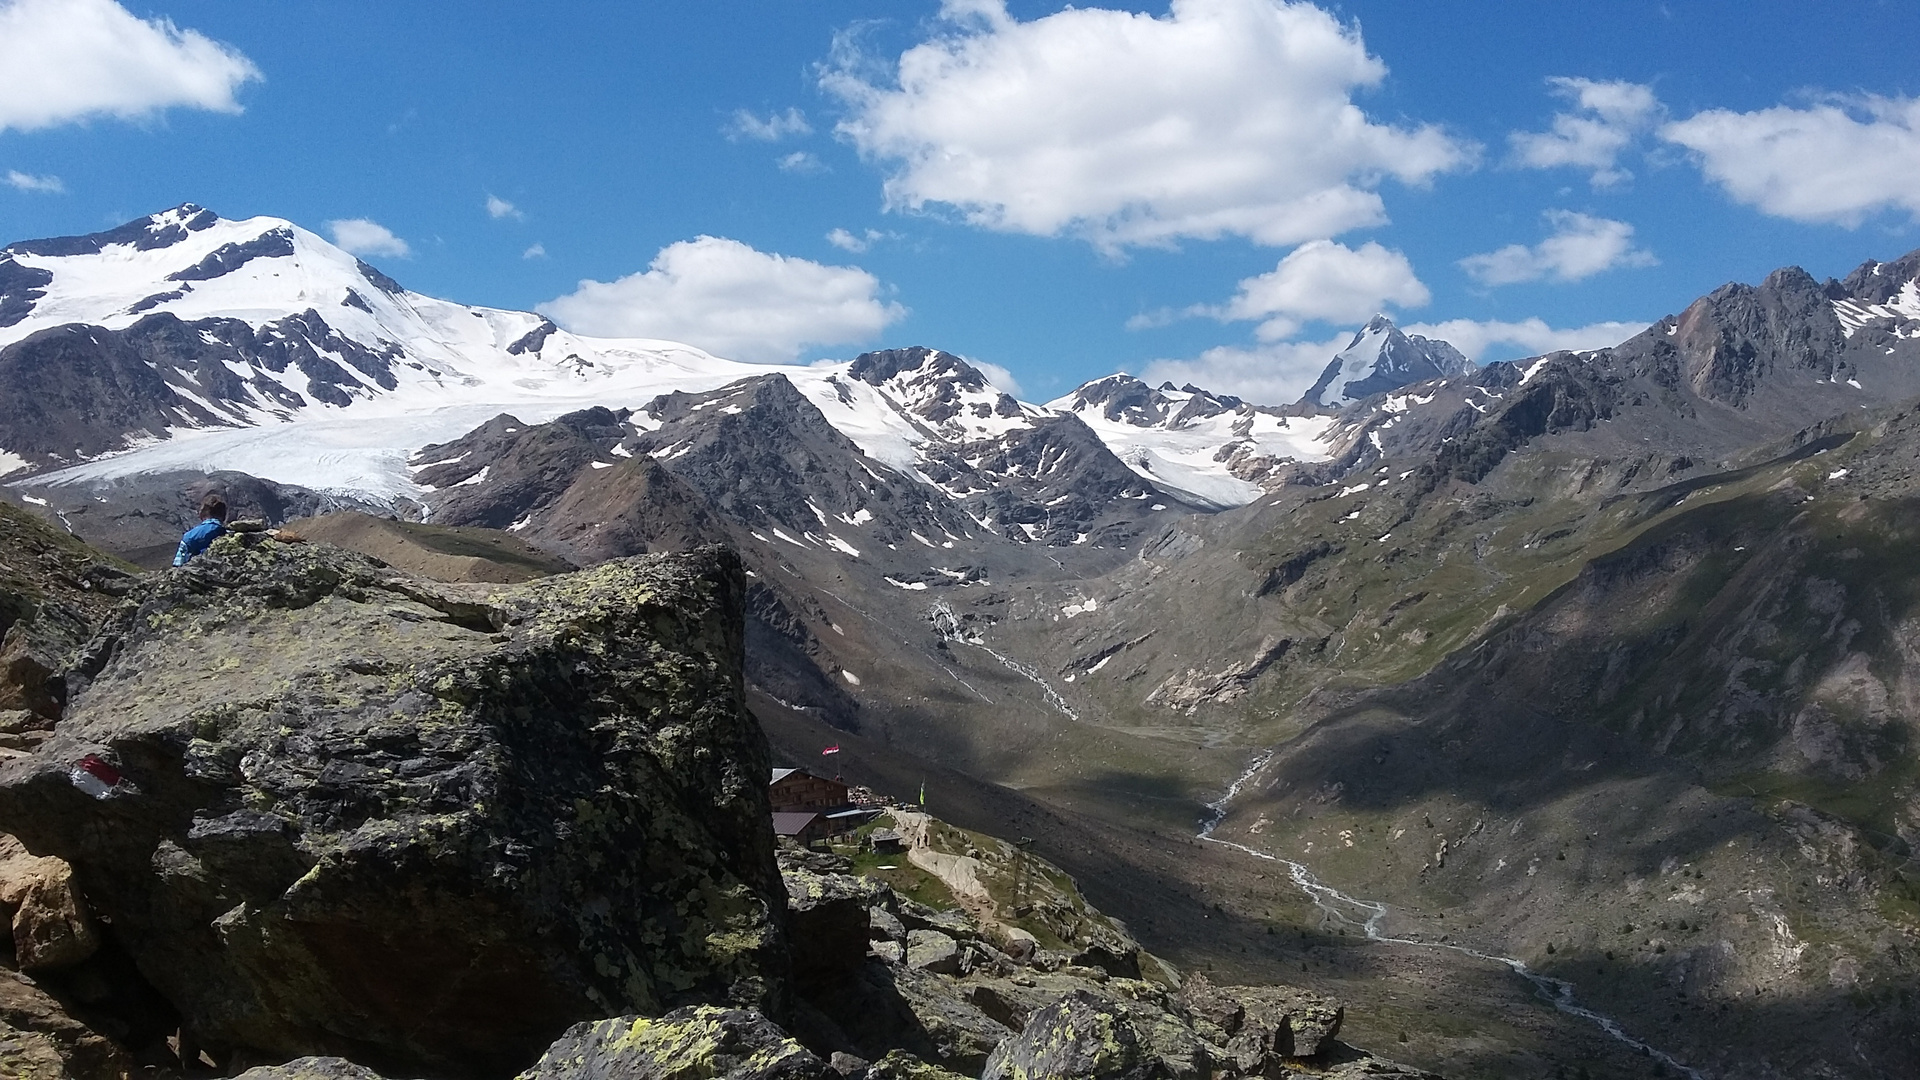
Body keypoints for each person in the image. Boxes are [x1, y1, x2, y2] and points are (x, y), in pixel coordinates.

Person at [173, 494, 230, 566]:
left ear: (203, 512)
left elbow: (177, 565)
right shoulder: (231, 535)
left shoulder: (189, 536)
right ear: (224, 515)